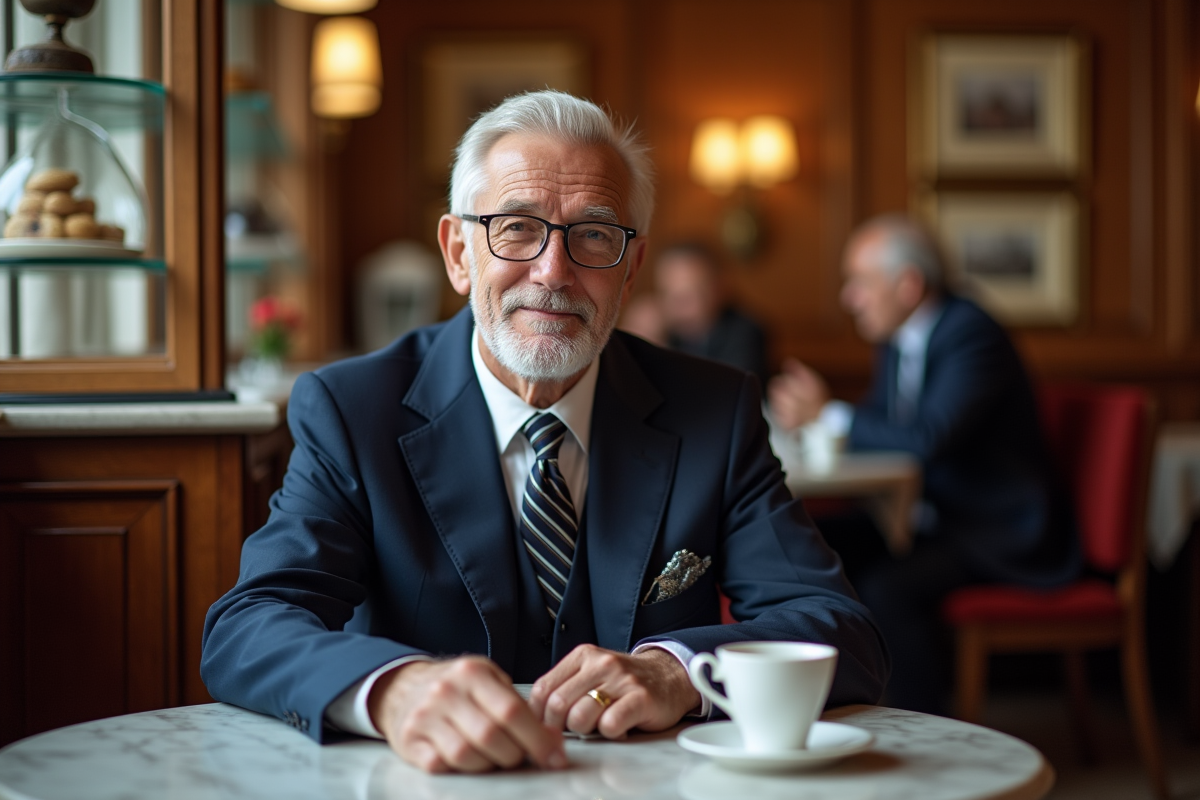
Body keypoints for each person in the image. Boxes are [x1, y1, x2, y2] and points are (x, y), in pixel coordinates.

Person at [201, 91, 888, 774]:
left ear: (631, 269)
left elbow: (839, 627)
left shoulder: (713, 409)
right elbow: (250, 624)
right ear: (458, 253)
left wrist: (677, 672)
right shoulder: (354, 410)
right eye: (517, 227)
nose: (553, 272)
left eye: (593, 235)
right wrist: (391, 690)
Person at [768, 214, 1081, 714]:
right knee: (808, 543)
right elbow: (886, 429)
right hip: (936, 519)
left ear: (908, 285)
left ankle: (925, 733)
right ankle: (813, 707)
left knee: (888, 588)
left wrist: (827, 412)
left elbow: (927, 439)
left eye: (861, 283)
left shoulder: (971, 334)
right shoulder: (898, 342)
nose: (851, 298)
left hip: (997, 531)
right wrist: (828, 416)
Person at [654, 242, 769, 386]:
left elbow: (725, 393)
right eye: (669, 295)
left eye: (690, 295)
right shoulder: (661, 332)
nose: (679, 307)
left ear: (718, 289)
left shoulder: (746, 332)